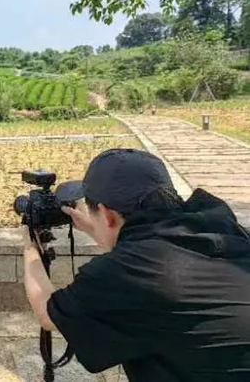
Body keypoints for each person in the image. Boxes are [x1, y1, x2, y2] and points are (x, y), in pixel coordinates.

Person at [23, 148, 250, 381]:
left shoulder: (128, 273)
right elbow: (145, 253)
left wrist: (30, 244)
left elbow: (47, 313)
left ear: (107, 215)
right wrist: (94, 228)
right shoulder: (222, 227)